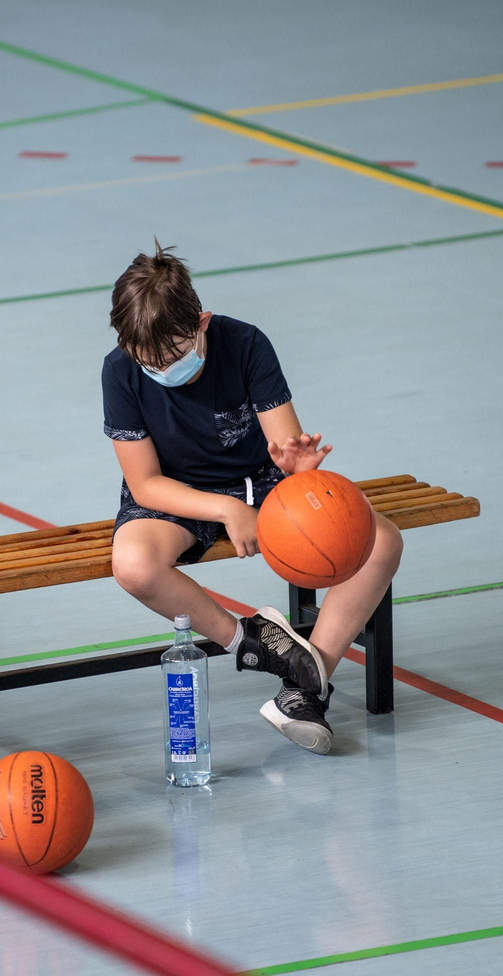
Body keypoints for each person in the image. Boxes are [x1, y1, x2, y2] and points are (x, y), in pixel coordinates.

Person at [102, 242, 403, 755]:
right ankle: (248, 641)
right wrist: (225, 509)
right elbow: (147, 483)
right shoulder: (119, 371)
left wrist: (297, 471)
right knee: (133, 565)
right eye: (146, 360)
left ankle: (307, 689)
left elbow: (285, 445)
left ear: (201, 323)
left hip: (260, 481)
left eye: (172, 355)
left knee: (381, 540)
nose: (160, 368)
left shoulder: (245, 344)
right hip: (178, 494)